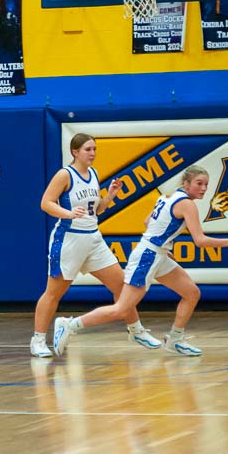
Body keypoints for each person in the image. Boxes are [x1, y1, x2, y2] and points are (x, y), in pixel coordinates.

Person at [53, 165, 228, 358]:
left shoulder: (168, 196)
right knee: (122, 308)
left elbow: (147, 222)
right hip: (149, 255)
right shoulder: (187, 204)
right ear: (186, 183)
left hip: (157, 253)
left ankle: (175, 339)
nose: (203, 188)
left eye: (206, 184)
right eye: (199, 183)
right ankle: (69, 325)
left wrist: (164, 244)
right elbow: (200, 240)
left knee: (192, 292)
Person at [31, 134, 160, 358]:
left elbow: (96, 209)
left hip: (94, 238)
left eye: (94, 149)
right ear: (75, 152)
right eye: (88, 149)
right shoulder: (65, 174)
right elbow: (46, 203)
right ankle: (38, 339)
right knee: (53, 293)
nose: (92, 153)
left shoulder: (93, 174)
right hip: (69, 239)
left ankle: (136, 330)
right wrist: (68, 213)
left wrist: (109, 196)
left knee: (121, 285)